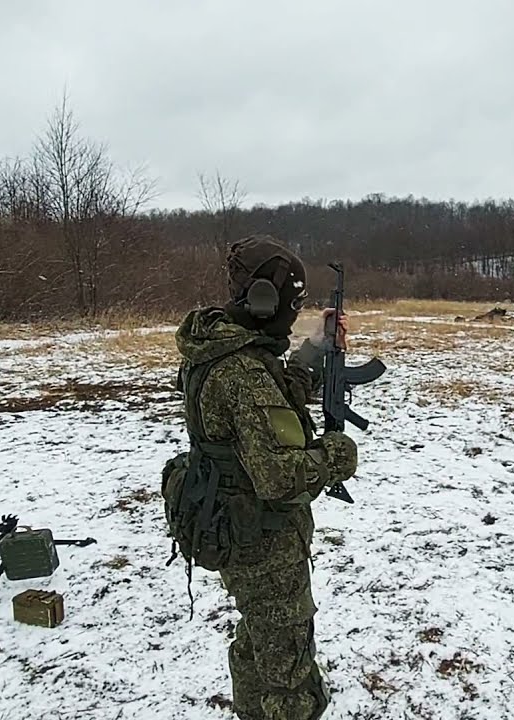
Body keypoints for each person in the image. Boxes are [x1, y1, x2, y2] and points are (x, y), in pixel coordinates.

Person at [160, 234, 357, 720]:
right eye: (293, 303)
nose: (294, 314)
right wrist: (337, 455)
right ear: (266, 301)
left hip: (238, 527)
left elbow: (273, 395)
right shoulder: (241, 371)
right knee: (286, 669)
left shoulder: (218, 346)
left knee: (259, 642)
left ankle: (252, 709)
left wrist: (315, 347)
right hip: (262, 540)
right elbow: (278, 475)